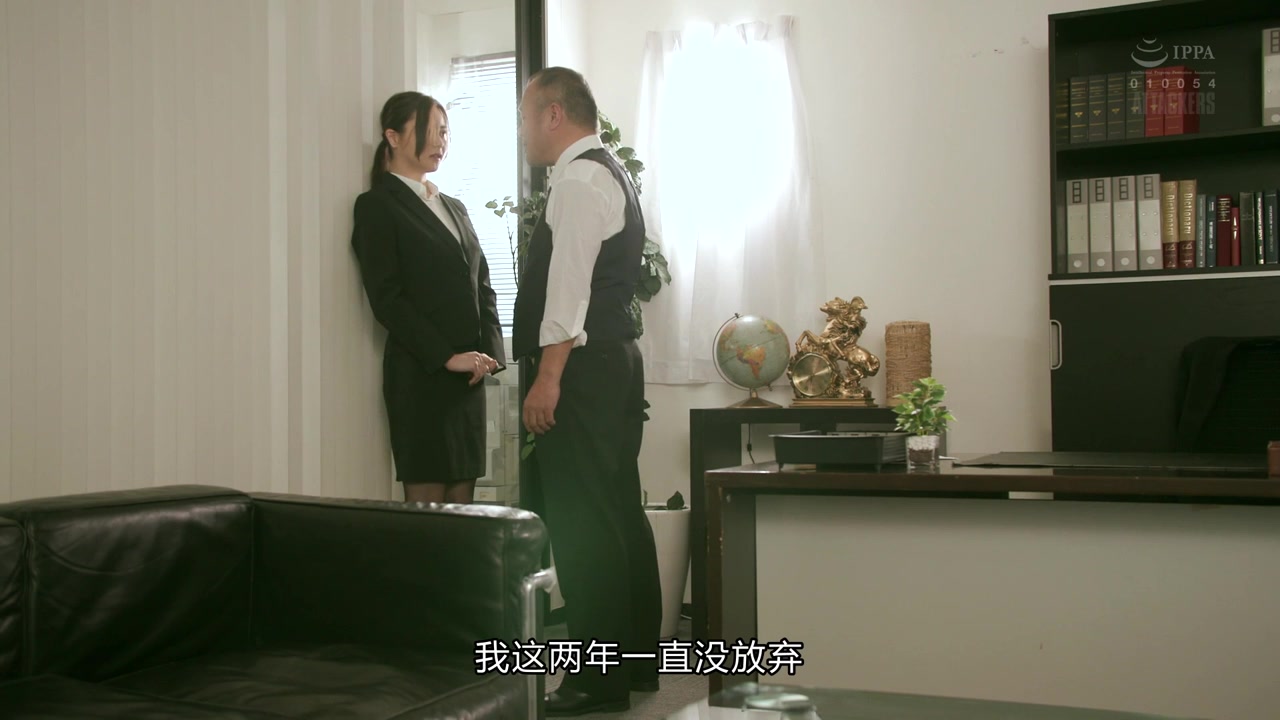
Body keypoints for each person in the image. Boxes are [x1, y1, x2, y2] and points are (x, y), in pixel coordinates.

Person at [512, 67, 662, 716]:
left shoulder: (577, 179)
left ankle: (596, 681)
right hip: (615, 362)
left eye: (524, 117)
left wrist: (547, 380)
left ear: (553, 114)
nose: (522, 132)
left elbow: (567, 294)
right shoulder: (611, 171)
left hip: (581, 368)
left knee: (582, 520)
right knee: (618, 510)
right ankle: (637, 664)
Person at [352, 91, 505, 504]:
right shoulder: (377, 206)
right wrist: (446, 356)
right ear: (393, 137)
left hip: (468, 380)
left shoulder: (454, 206)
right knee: (427, 518)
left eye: (445, 131)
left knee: (462, 514)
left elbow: (482, 284)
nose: (441, 141)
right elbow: (387, 298)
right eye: (429, 130)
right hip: (422, 376)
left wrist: (489, 355)